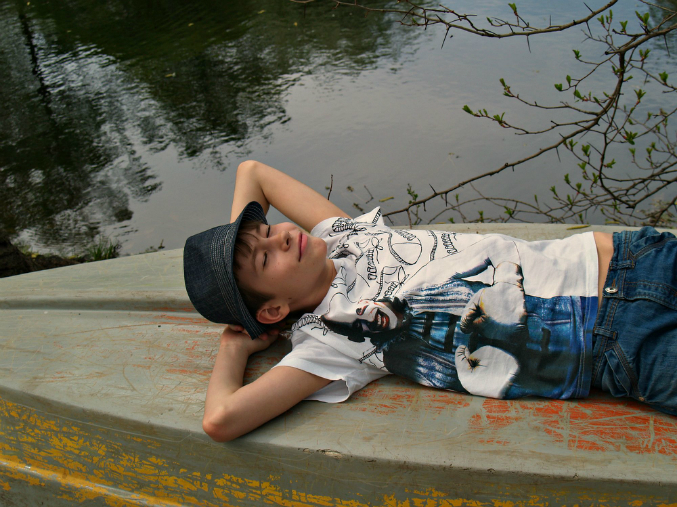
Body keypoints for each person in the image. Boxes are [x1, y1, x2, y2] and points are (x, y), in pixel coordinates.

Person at [183, 160, 677, 442]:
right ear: (273, 310)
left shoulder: (342, 236)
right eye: (265, 258)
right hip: (615, 344)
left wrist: (244, 277)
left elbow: (252, 172)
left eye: (267, 230)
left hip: (630, 258)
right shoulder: (326, 343)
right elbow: (221, 419)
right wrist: (238, 340)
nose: (281, 238)